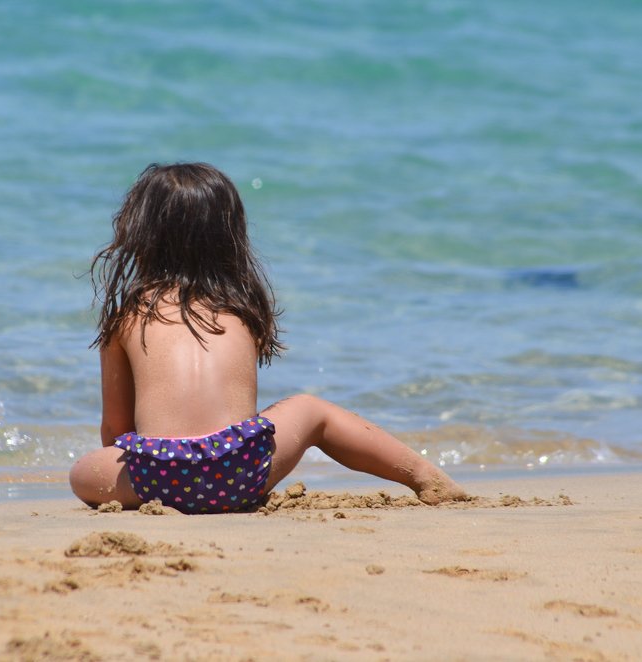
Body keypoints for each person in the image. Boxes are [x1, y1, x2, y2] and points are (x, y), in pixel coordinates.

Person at [69, 163, 468, 514]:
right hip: (241, 477)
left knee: (82, 471)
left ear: (141, 235)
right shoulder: (243, 309)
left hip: (158, 482)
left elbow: (116, 430)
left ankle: (172, 487)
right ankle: (425, 477)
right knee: (312, 409)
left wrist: (143, 462)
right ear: (229, 236)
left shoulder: (127, 316)